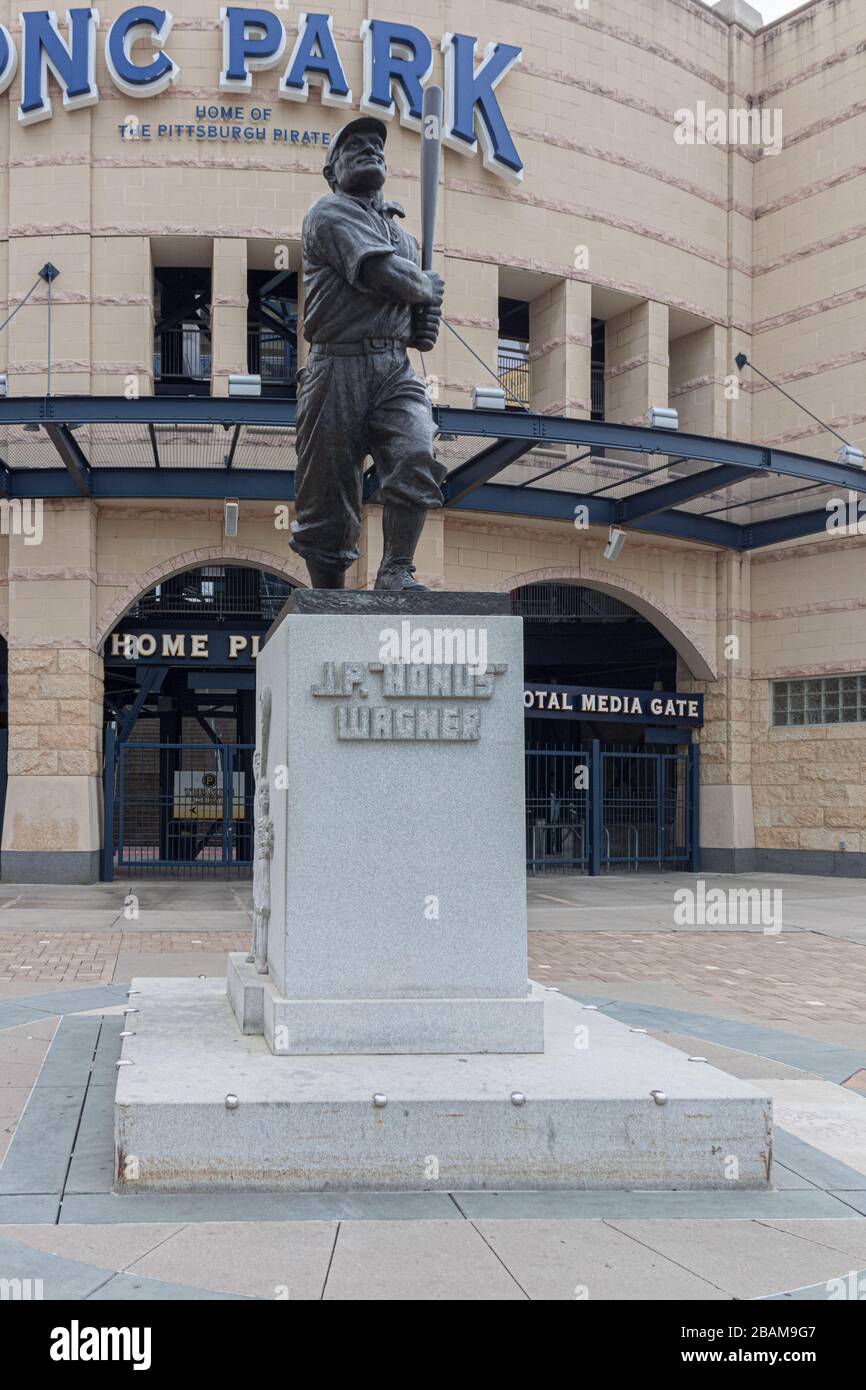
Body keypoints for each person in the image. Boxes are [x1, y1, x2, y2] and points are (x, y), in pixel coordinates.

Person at [289, 115, 446, 591]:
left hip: (392, 368)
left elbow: (411, 303)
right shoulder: (328, 212)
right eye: (353, 146)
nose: (369, 149)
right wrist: (425, 287)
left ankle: (397, 569)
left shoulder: (406, 239)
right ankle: (328, 596)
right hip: (336, 366)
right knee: (328, 499)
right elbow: (383, 275)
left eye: (376, 145)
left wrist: (424, 318)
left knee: (416, 451)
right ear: (332, 171)